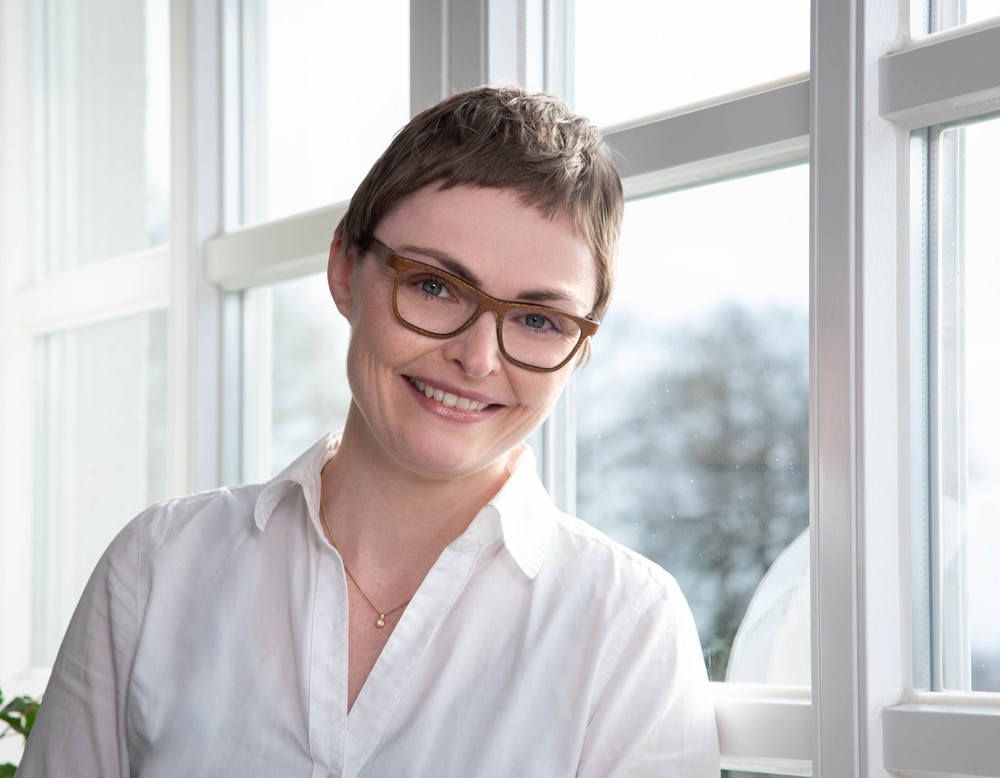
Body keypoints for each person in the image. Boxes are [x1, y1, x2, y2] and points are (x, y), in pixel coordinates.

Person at [19, 85, 720, 777]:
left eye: (539, 321)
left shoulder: (627, 630)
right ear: (345, 271)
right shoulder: (156, 568)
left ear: (581, 348)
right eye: (434, 286)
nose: (477, 359)